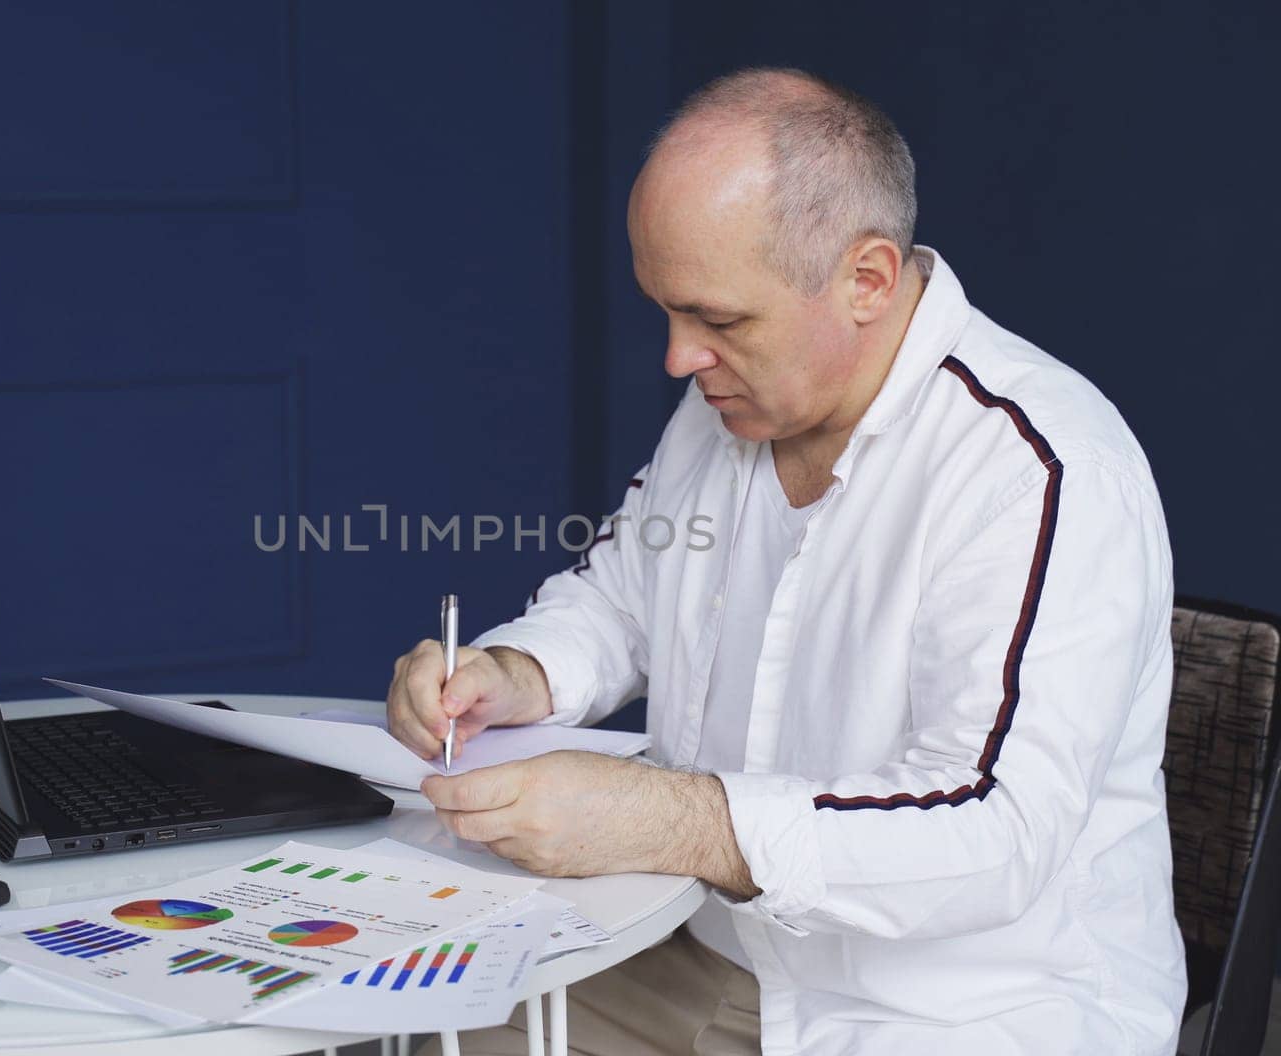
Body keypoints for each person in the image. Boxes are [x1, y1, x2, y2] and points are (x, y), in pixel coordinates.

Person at [386, 67, 1186, 1055]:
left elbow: (995, 837)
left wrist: (676, 823)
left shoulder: (1038, 473)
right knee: (422, 1028)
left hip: (961, 1011)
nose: (678, 359)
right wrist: (514, 674)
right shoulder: (729, 406)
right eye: (666, 311)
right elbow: (623, 601)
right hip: (699, 950)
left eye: (719, 321)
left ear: (867, 280)